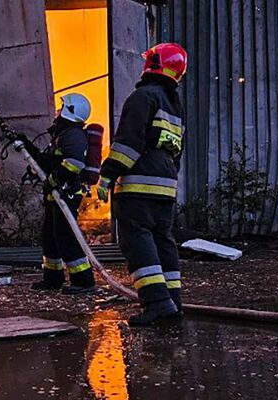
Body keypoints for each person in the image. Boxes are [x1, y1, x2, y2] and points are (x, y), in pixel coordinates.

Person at [96, 43, 188, 326]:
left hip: (139, 187)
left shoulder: (143, 97)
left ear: (154, 64)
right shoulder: (174, 105)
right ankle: (172, 302)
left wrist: (108, 174)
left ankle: (157, 304)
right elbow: (176, 151)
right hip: (165, 187)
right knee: (163, 242)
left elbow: (129, 144)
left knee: (138, 241)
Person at [31, 93, 96, 295]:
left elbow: (75, 163)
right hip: (56, 194)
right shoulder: (62, 134)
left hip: (66, 194)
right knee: (51, 237)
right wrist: (25, 145)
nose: (57, 111)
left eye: (62, 108)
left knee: (66, 236)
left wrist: (52, 181)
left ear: (69, 111)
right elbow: (47, 162)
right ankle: (52, 278)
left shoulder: (73, 135)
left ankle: (83, 281)